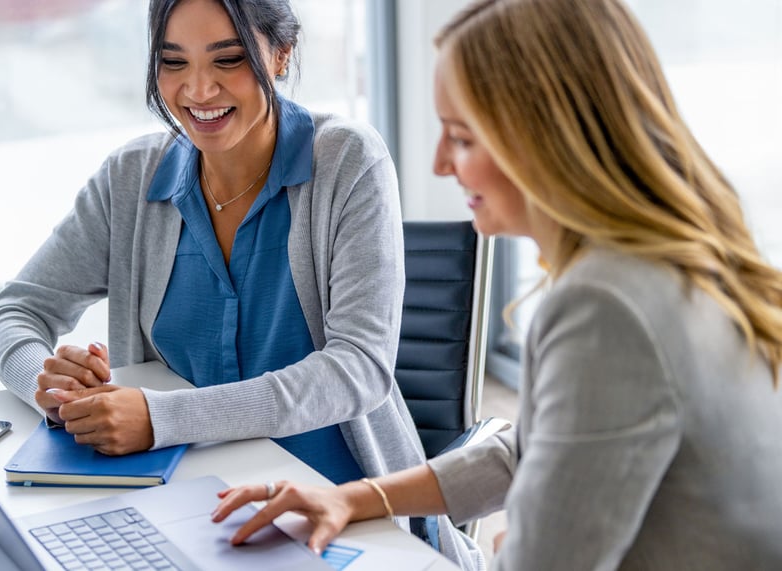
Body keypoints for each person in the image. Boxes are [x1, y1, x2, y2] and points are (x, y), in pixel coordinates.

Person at [209, 0, 782, 569]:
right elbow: (530, 450)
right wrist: (355, 497)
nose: (438, 164)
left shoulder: (605, 308)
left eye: (461, 137)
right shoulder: (671, 259)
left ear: (551, 138)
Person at [0, 1, 484, 567]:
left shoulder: (348, 161)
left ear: (281, 53)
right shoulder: (131, 179)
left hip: (337, 509)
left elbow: (358, 369)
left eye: (229, 58)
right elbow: (14, 313)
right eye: (174, 62)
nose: (198, 90)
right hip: (183, 505)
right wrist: (51, 392)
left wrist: (161, 418)